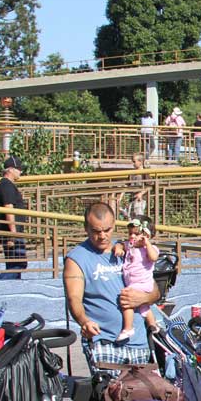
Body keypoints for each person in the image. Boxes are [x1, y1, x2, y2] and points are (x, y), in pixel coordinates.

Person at [64, 202, 160, 366]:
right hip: (104, 341)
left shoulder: (129, 249)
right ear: (86, 228)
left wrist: (144, 297)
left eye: (107, 230)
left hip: (138, 342)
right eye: (96, 231)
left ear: (114, 225)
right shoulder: (77, 258)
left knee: (140, 392)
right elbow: (74, 299)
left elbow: (155, 290)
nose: (102, 236)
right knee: (111, 391)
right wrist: (84, 321)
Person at [112, 216, 160, 341]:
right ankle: (153, 325)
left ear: (146, 235)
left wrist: (147, 244)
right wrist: (118, 248)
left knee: (127, 301)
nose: (132, 236)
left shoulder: (149, 249)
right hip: (134, 282)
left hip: (143, 283)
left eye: (136, 234)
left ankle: (128, 328)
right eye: (130, 233)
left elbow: (154, 257)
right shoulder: (130, 246)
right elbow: (120, 244)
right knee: (144, 307)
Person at [0, 156, 27, 280]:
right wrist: (13, 233)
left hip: (11, 233)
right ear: (11, 169)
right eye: (18, 169)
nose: (21, 172)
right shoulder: (6, 185)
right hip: (11, 233)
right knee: (18, 264)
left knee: (15, 265)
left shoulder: (5, 185)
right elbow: (8, 208)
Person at [117, 153, 149, 220]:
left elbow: (149, 186)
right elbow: (127, 185)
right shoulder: (132, 173)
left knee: (138, 217)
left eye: (134, 161)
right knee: (130, 217)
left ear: (141, 162)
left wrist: (141, 193)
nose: (133, 163)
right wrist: (121, 196)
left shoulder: (145, 172)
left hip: (140, 199)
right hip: (132, 198)